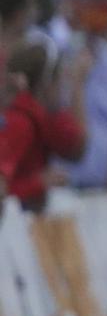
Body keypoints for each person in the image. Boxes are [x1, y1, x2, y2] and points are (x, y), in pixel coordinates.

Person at [45, 0, 107, 190]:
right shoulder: (46, 45)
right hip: (59, 186)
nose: (104, 5)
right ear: (68, 2)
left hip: (100, 186)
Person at [0, 43, 88, 212]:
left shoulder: (42, 120)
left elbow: (77, 147)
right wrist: (39, 183)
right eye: (58, 81)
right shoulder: (19, 122)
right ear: (44, 84)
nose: (62, 89)